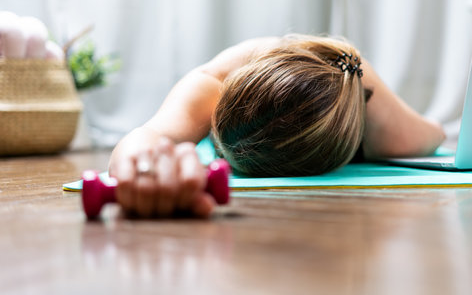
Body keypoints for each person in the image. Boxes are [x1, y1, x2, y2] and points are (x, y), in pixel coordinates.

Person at [109, 35, 445, 218]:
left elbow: (435, 135)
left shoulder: (379, 112)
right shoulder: (211, 84)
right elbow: (147, 135)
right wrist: (138, 165)